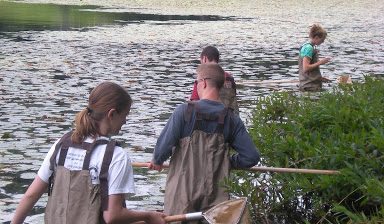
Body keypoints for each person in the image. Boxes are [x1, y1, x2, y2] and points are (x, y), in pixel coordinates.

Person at [11, 82, 166, 224]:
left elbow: (30, 196)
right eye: (125, 115)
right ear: (111, 114)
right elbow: (112, 216)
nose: (125, 121)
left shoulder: (61, 145)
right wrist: (148, 216)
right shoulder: (117, 156)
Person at [149, 64, 260, 223]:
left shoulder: (183, 112)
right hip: (215, 202)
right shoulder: (232, 120)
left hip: (182, 197)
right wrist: (226, 162)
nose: (196, 86)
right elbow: (251, 157)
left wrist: (157, 161)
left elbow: (161, 151)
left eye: (196, 82)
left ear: (204, 83)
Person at [190, 46, 239, 114]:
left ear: (204, 59)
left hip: (208, 119)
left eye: (201, 61)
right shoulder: (230, 78)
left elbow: (193, 106)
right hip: (229, 120)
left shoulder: (201, 79)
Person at [298, 24, 331, 91]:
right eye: (322, 39)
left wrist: (319, 78)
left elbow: (308, 72)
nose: (323, 41)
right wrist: (320, 62)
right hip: (310, 87)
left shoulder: (306, 46)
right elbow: (306, 68)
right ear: (316, 37)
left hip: (307, 84)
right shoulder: (309, 48)